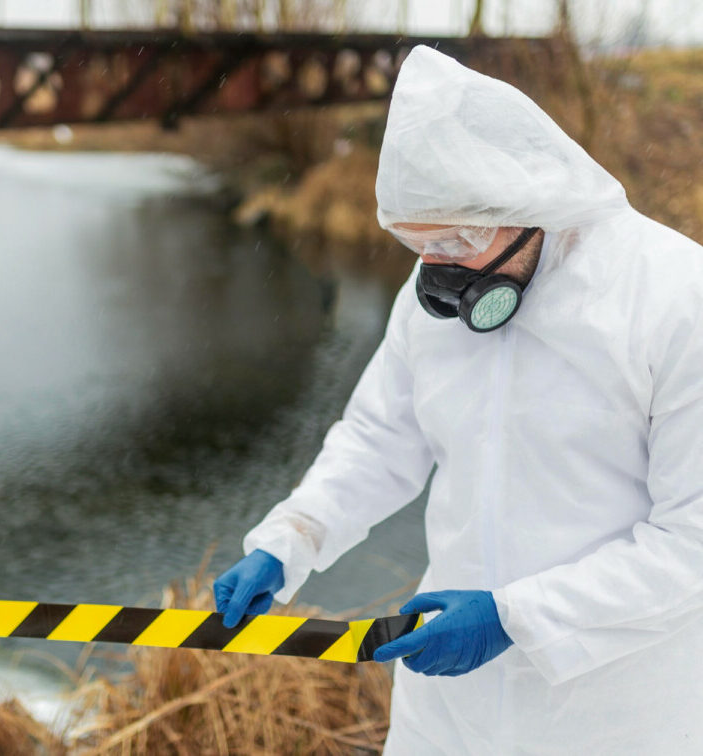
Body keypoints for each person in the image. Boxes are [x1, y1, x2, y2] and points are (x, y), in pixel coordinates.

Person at [212, 45, 703, 753]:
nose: (439, 271)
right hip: (450, 710)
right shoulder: (429, 303)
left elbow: (691, 541)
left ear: (533, 200)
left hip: (615, 709)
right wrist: (294, 539)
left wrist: (517, 618)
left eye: (460, 240)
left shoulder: (673, 299)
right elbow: (380, 440)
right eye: (422, 244)